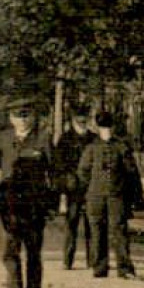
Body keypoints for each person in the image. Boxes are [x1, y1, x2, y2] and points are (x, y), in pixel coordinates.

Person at [0, 96, 55, 288]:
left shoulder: (43, 139)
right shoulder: (4, 138)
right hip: (9, 204)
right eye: (17, 116)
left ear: (33, 117)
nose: (22, 121)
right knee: (10, 251)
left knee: (33, 252)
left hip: (34, 206)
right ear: (11, 118)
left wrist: (52, 205)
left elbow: (54, 173)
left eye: (26, 116)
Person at [75, 111, 143, 278]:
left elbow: (132, 174)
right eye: (104, 128)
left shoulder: (121, 147)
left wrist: (137, 198)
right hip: (95, 197)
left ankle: (124, 268)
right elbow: (82, 172)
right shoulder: (91, 148)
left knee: (119, 231)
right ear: (98, 129)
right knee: (97, 231)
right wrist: (82, 194)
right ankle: (99, 267)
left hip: (116, 196)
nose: (107, 131)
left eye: (109, 128)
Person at [51, 102, 93, 270]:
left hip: (90, 187)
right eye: (79, 119)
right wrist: (66, 183)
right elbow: (59, 165)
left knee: (92, 225)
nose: (82, 122)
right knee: (72, 224)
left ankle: (93, 260)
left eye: (84, 119)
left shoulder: (93, 139)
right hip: (73, 188)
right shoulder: (65, 139)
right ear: (73, 119)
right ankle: (67, 260)